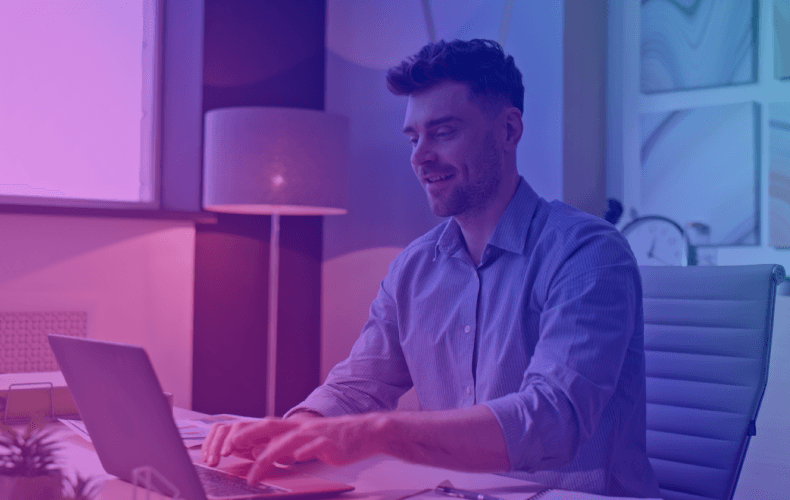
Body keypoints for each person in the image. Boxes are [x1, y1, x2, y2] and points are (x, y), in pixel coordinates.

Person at [202, 39, 660, 498]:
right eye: (413, 138)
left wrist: (377, 433)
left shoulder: (587, 253)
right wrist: (298, 429)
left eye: (442, 132)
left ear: (508, 130)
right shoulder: (414, 268)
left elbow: (552, 420)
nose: (420, 157)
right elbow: (356, 388)